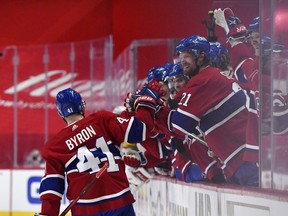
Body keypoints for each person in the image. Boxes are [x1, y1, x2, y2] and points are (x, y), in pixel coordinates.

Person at [36, 86, 163, 216]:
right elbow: (139, 130)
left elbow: (51, 188)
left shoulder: (54, 146)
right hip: (119, 202)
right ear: (82, 106)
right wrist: (145, 102)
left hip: (85, 210)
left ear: (60, 113)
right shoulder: (101, 120)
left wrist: (48, 213)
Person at [154, 35, 259, 186]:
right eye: (181, 56)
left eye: (187, 56)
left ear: (201, 56)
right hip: (240, 158)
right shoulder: (209, 77)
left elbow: (178, 126)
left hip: (244, 159)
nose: (182, 60)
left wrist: (153, 110)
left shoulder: (203, 81)